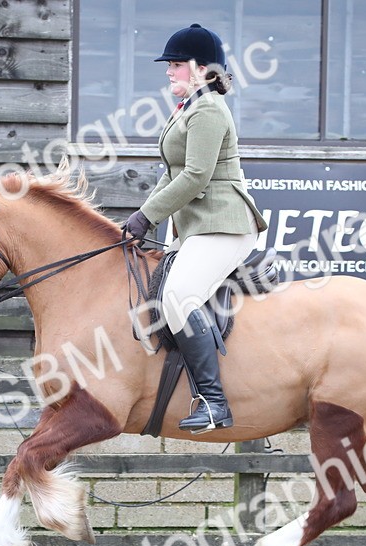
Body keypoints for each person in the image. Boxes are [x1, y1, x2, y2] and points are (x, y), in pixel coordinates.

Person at [123, 22, 268, 434]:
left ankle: (213, 401)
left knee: (180, 296)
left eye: (175, 64)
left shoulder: (208, 109)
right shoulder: (189, 107)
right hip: (194, 227)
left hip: (224, 224)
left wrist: (148, 215)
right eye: (168, 64)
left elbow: (196, 177)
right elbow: (172, 174)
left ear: (202, 68)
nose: (168, 71)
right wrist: (143, 214)